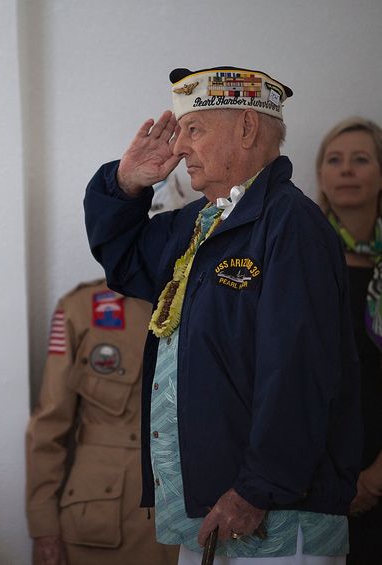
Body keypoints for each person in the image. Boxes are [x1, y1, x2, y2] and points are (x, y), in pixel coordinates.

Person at [83, 66, 362, 564]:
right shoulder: (203, 221)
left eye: (195, 129)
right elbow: (123, 262)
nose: (180, 148)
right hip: (212, 510)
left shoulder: (290, 223)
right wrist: (125, 184)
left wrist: (257, 488)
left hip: (270, 514)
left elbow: (298, 371)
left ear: (247, 129)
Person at [25, 178, 193, 565]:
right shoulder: (83, 308)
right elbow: (50, 425)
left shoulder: (215, 300)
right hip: (102, 521)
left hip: (191, 514)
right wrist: (43, 524)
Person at [316, 117, 382, 565]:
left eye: (361, 159)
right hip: (312, 478)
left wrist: (376, 479)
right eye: (334, 160)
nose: (346, 170)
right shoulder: (299, 260)